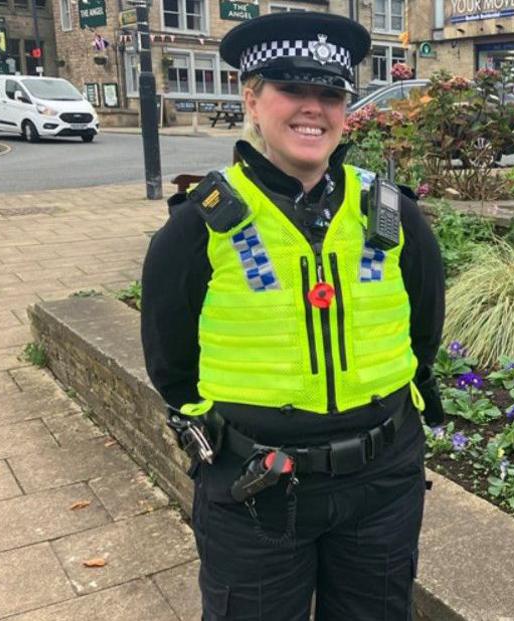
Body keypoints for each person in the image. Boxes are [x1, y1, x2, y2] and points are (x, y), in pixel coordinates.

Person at [140, 12, 445, 620]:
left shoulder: (390, 212)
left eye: (329, 93)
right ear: (252, 99)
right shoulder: (201, 223)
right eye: (292, 89)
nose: (314, 109)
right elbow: (171, 363)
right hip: (257, 489)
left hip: (382, 484)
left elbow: (424, 331)